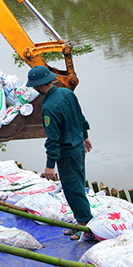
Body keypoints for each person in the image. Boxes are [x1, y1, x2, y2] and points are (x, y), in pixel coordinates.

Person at [27, 65, 93, 236]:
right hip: (78, 147)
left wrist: (50, 165)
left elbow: (53, 140)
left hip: (67, 153)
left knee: (73, 190)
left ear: (39, 86)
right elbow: (80, 117)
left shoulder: (49, 107)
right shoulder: (67, 93)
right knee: (77, 185)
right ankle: (81, 221)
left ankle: (84, 227)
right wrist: (84, 135)